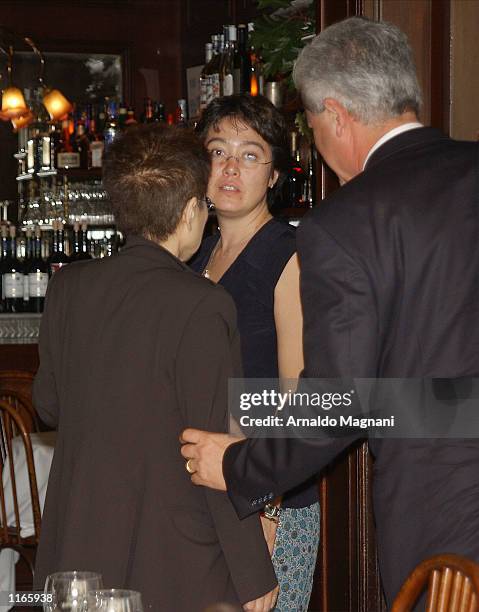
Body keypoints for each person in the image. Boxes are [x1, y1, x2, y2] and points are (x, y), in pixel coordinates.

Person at [181, 16, 479, 608]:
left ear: (337, 116)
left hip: (442, 506)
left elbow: (337, 400)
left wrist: (242, 466)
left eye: (313, 124)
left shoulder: (345, 223)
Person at [32, 124, 278, 611]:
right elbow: (209, 447)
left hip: (79, 544)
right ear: (190, 211)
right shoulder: (202, 303)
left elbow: (48, 405)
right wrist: (252, 572)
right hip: (176, 556)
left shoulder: (69, 287)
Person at [191, 94, 320, 612]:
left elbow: (296, 393)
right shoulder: (194, 253)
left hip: (269, 496)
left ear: (273, 175)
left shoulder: (288, 254)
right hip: (205, 488)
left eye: (249, 154)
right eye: (217, 151)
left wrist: (268, 507)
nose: (229, 167)